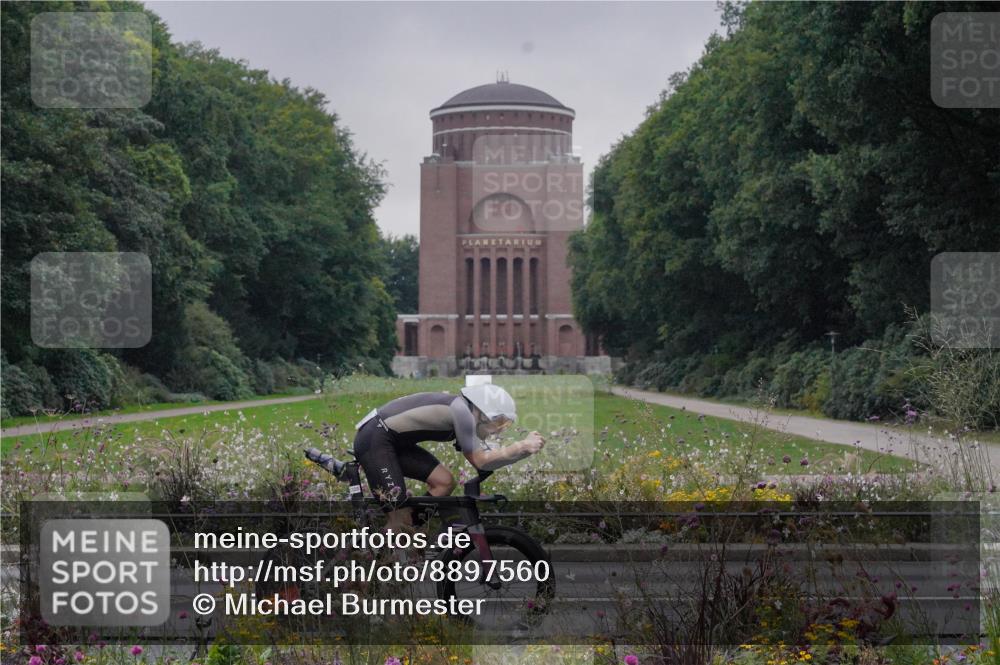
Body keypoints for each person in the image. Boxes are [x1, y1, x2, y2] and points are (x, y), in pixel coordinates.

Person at [353, 384, 545, 529]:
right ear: (482, 412)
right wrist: (521, 446)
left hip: (393, 441)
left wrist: (521, 453)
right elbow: (481, 461)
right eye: (497, 422)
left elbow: (487, 463)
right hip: (374, 439)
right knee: (399, 520)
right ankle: (371, 565)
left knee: (444, 483)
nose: (497, 430)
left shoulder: (466, 411)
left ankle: (409, 533)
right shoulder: (462, 413)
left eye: (504, 424)